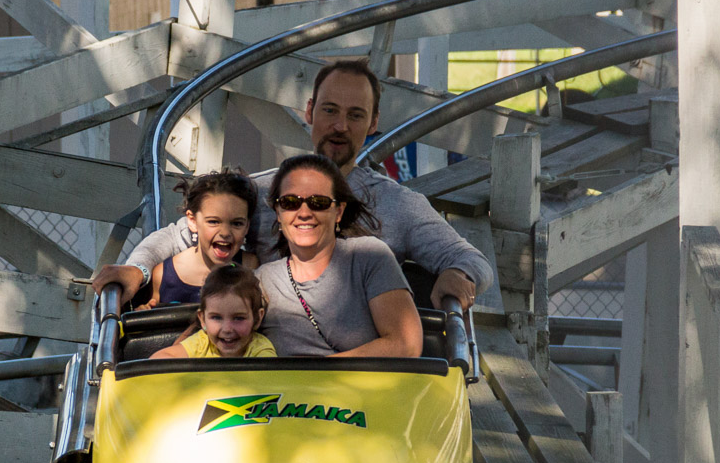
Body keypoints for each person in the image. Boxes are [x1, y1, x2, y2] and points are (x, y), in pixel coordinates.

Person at [94, 59, 493, 311]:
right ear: (309, 112)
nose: (340, 126)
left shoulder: (398, 204)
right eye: (330, 111)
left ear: (373, 125)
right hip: (267, 359)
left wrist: (461, 276)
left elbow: (470, 259)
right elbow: (182, 234)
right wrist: (137, 270)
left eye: (355, 115)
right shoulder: (257, 190)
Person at [256, 154, 421, 358]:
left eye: (318, 202)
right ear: (278, 213)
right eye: (290, 202)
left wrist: (320, 373)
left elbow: (406, 344)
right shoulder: (262, 280)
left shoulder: (368, 256)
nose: (304, 212)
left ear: (339, 212)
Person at [143, 169, 258, 308]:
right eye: (214, 222)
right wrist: (144, 311)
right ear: (192, 221)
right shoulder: (163, 275)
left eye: (237, 223)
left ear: (247, 226)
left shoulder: (250, 267)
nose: (225, 232)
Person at [151, 266, 276, 359]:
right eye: (216, 317)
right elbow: (159, 359)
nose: (227, 329)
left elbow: (270, 379)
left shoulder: (260, 349)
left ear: (257, 318)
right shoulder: (202, 342)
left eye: (238, 318)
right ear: (202, 319)